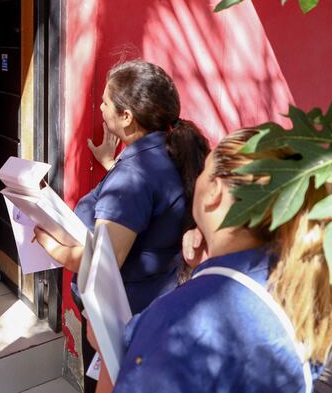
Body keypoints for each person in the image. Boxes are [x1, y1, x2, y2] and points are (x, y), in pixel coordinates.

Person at [100, 128, 332, 393]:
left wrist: (113, 356)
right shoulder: (301, 287)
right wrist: (209, 266)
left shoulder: (178, 322)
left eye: (204, 170)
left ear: (215, 191)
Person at [33, 59, 209, 313]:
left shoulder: (132, 176)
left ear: (126, 116)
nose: (101, 108)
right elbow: (152, 198)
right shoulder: (171, 152)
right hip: (157, 300)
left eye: (106, 102)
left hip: (120, 313)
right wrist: (110, 164)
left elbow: (103, 263)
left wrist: (50, 246)